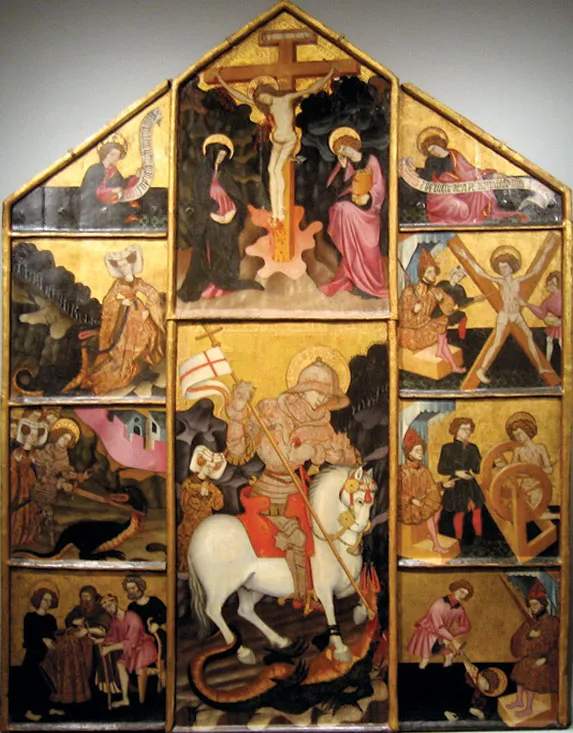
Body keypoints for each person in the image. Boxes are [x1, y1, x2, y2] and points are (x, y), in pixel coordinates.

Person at [226, 352, 357, 607]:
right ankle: (301, 595)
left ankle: (320, 585)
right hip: (270, 494)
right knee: (297, 538)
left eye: (327, 394)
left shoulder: (323, 423)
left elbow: (342, 455)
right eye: (318, 392)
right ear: (302, 388)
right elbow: (240, 451)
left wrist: (337, 455)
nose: (323, 399)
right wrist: (237, 415)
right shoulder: (272, 411)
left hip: (300, 492)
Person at [216, 68, 335, 223]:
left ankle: (281, 210)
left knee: (277, 170)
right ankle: (275, 210)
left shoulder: (286, 98)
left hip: (289, 140)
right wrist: (223, 82)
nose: (263, 100)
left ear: (269, 91)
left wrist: (329, 74)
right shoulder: (267, 106)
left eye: (264, 96)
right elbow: (241, 96)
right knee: (271, 170)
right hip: (277, 141)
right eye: (260, 99)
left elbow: (310, 89)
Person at [177, 134, 264, 302]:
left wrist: (233, 211)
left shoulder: (224, 173)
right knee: (213, 251)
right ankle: (211, 285)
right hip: (210, 218)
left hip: (228, 217)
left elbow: (234, 194)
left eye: (223, 156)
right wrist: (212, 213)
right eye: (218, 155)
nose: (220, 159)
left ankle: (225, 281)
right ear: (211, 154)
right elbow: (199, 198)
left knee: (227, 249)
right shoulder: (202, 174)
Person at [460, 241, 555, 384]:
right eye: (500, 268)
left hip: (516, 315)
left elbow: (535, 271)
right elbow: (482, 273)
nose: (502, 270)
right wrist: (467, 259)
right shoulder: (501, 282)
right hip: (504, 315)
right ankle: (481, 370)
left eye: (504, 267)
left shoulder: (517, 281)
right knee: (496, 343)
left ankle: (541, 368)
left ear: (511, 267)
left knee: (529, 335)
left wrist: (545, 251)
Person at [81, 245, 165, 396]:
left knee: (143, 341)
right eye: (120, 266)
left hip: (141, 323)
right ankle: (116, 373)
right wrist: (121, 303)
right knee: (119, 353)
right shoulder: (118, 285)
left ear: (131, 265)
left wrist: (146, 308)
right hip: (124, 325)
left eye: (125, 265)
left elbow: (153, 296)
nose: (124, 268)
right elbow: (108, 301)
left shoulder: (140, 283)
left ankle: (139, 369)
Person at [402, 126, 527, 225]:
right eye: (430, 151)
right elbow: (428, 176)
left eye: (434, 148)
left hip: (462, 189)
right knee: (460, 207)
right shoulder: (431, 161)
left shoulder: (454, 155)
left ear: (439, 144)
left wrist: (485, 175)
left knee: (477, 194)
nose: (434, 152)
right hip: (441, 195)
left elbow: (468, 170)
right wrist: (415, 170)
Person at [319, 127, 387, 299]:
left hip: (369, 211)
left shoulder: (370, 160)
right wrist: (342, 168)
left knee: (369, 249)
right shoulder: (346, 164)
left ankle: (372, 284)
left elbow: (379, 187)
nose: (344, 151)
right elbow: (335, 190)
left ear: (353, 144)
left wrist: (368, 196)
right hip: (352, 208)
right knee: (342, 208)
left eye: (345, 147)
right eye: (341, 150)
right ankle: (355, 279)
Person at [398, 249, 465, 373]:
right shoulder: (409, 291)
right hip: (412, 331)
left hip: (426, 325)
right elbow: (402, 317)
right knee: (440, 331)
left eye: (434, 272)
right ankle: (450, 362)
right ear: (422, 274)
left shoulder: (436, 291)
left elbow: (450, 308)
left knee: (442, 325)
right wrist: (413, 311)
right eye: (429, 272)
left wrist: (441, 301)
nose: (433, 275)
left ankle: (449, 362)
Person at [42, 585, 110, 706]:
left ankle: (79, 689)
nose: (84, 599)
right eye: (82, 596)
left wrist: (87, 629)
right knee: (65, 644)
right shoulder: (78, 609)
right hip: (75, 637)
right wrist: (76, 621)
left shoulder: (100, 610)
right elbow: (69, 620)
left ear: (93, 597)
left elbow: (103, 629)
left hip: (92, 640)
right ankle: (64, 686)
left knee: (74, 644)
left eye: (87, 596)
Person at [31, 418, 88, 547]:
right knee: (42, 512)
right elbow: (40, 466)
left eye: (68, 440)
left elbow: (65, 472)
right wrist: (57, 480)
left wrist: (78, 476)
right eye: (63, 438)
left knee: (48, 514)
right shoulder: (48, 449)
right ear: (58, 435)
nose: (64, 442)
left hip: (52, 487)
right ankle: (37, 534)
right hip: (41, 485)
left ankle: (49, 539)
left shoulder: (64, 455)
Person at [507, 579, 559, 718]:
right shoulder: (530, 623)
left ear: (543, 604)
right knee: (521, 666)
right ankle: (519, 700)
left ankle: (528, 707)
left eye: (535, 604)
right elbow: (516, 639)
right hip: (531, 658)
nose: (533, 608)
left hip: (547, 661)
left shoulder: (553, 621)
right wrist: (528, 636)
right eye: (531, 605)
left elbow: (556, 645)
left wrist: (546, 658)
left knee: (531, 671)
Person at [98, 594, 158, 708]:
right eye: (105, 607)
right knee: (120, 664)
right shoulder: (115, 621)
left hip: (143, 647)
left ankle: (158, 672)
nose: (108, 608)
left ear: (116, 602)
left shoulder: (132, 616)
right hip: (132, 650)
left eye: (110, 604)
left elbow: (131, 641)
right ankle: (125, 699)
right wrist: (101, 642)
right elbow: (112, 637)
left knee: (139, 669)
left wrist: (109, 648)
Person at [177, 445, 225, 574]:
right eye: (208, 466)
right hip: (190, 524)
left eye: (212, 467)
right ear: (201, 464)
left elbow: (218, 505)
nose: (209, 469)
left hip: (206, 524)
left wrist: (210, 493)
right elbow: (185, 504)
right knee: (188, 550)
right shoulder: (188, 484)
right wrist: (199, 492)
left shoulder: (211, 487)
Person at [398, 427, 447, 554]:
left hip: (420, 502)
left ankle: (431, 532)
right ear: (409, 453)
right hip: (406, 506)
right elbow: (398, 493)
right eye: (417, 450)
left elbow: (431, 487)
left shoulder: (424, 470)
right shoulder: (402, 471)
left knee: (438, 505)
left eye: (421, 450)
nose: (420, 453)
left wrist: (442, 485)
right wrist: (412, 500)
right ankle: (436, 545)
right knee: (428, 513)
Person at [437, 417, 485, 546]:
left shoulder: (473, 448)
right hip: (457, 483)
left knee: (477, 510)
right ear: (455, 430)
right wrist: (456, 472)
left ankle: (479, 539)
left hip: (470, 483)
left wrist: (493, 464)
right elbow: (441, 468)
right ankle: (458, 540)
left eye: (469, 429)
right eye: (464, 429)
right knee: (459, 512)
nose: (467, 432)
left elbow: (477, 468)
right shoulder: (447, 448)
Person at [407, 579, 473, 669]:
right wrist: (452, 639)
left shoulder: (460, 609)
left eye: (465, 594)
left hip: (442, 636)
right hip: (427, 634)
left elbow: (466, 626)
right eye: (461, 591)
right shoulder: (439, 603)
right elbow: (438, 627)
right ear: (455, 589)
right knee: (425, 660)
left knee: (449, 656)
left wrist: (451, 634)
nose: (462, 595)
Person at [79, 135, 141, 229]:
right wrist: (113, 191)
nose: (116, 158)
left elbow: (123, 187)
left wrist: (136, 177)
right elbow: (93, 193)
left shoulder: (113, 170)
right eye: (113, 154)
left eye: (118, 155)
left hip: (111, 212)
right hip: (94, 214)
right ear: (105, 154)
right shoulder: (94, 170)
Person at [22, 585, 62, 722]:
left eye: (50, 600)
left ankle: (48, 708)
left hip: (48, 655)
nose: (47, 603)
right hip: (33, 655)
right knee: (33, 680)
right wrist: (42, 640)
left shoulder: (51, 619)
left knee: (48, 682)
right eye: (45, 599)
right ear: (39, 600)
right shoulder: (30, 617)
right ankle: (29, 711)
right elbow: (28, 638)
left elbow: (54, 637)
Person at [11, 411, 49, 548]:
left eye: (35, 435)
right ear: (25, 434)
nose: (33, 438)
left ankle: (30, 537)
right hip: (20, 486)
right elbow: (12, 470)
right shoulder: (17, 453)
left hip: (32, 485)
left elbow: (41, 470)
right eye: (31, 435)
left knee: (32, 510)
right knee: (20, 511)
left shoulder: (35, 454)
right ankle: (16, 538)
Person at [436, 267, 484, 341]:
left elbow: (462, 302)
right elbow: (433, 294)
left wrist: (474, 299)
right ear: (453, 274)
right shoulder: (443, 284)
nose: (460, 278)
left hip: (449, 311)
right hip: (438, 311)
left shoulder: (460, 289)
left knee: (463, 316)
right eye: (458, 275)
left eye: (462, 277)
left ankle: (462, 338)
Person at [524, 270, 562, 363]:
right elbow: (541, 313)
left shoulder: (566, 296)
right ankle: (547, 362)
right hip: (555, 323)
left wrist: (562, 321)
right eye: (549, 283)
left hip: (565, 323)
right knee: (549, 339)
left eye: (553, 283)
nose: (549, 285)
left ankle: (569, 361)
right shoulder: (548, 300)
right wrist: (527, 305)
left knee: (562, 342)